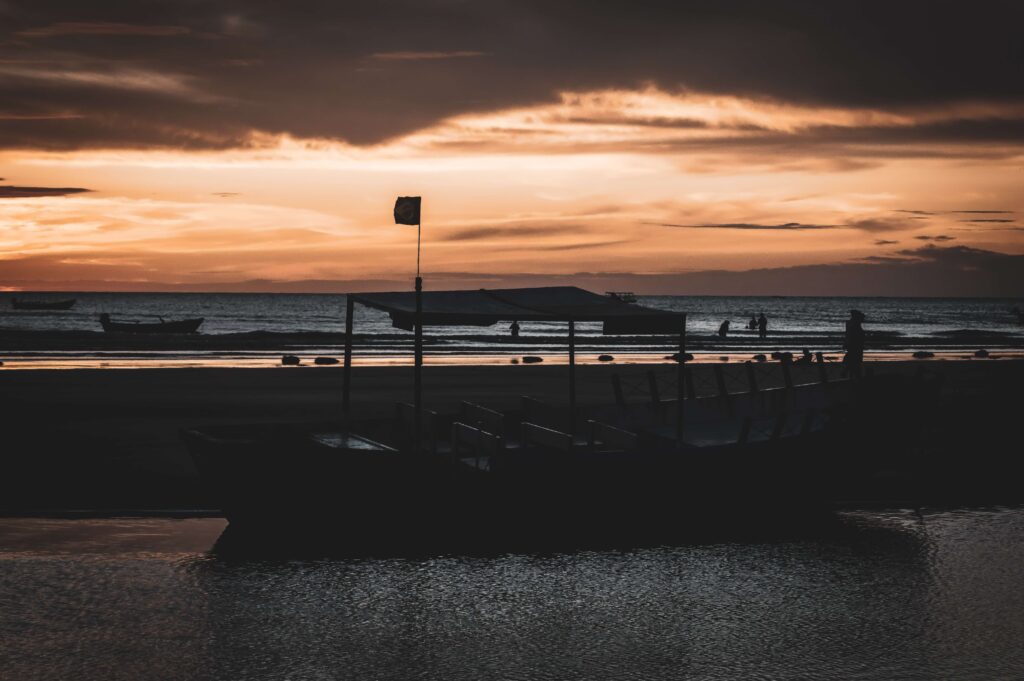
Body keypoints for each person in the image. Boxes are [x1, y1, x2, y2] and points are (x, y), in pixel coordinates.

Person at [843, 309, 866, 378]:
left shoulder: (852, 324)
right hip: (855, 347)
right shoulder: (854, 325)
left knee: (853, 364)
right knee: (855, 364)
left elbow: (848, 336)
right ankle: (848, 374)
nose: (863, 319)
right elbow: (851, 336)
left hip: (855, 347)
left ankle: (847, 373)